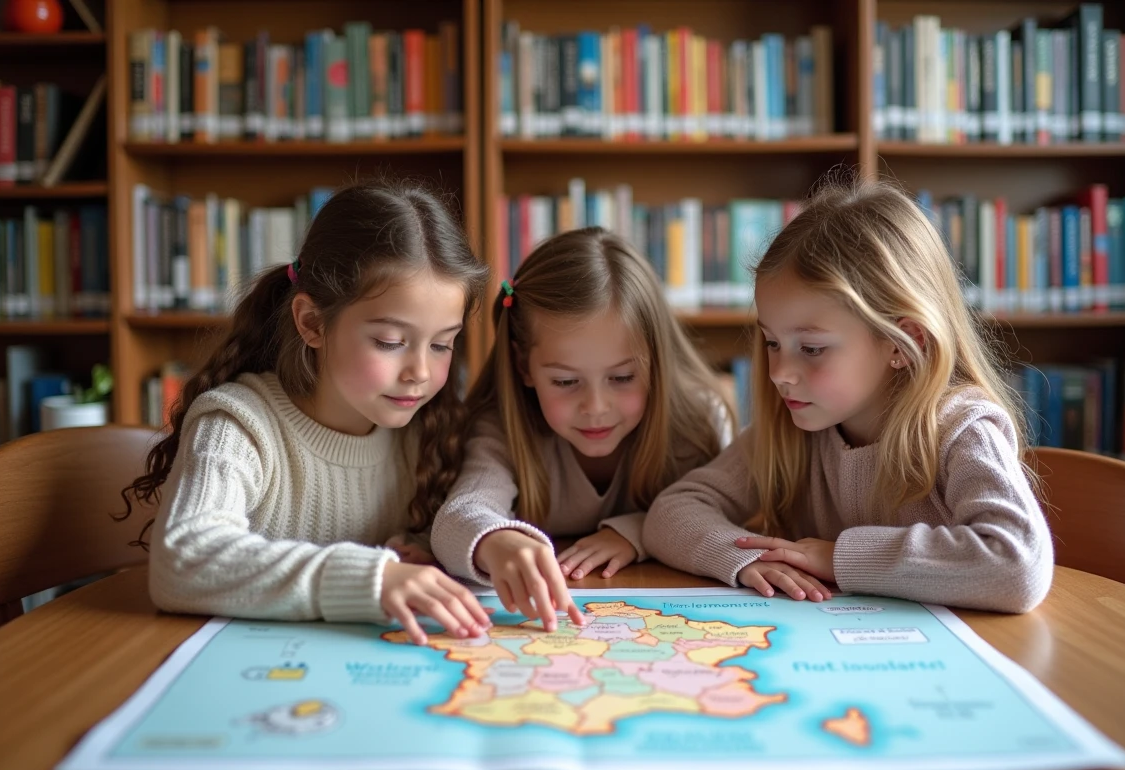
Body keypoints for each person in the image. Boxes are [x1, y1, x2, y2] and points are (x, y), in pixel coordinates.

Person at [643, 180, 1053, 614]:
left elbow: (1017, 563)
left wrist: (839, 558)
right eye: (772, 343)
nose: (780, 374)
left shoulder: (960, 428)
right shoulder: (792, 430)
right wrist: (745, 559)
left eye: (812, 349)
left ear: (901, 342)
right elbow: (673, 510)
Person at [118, 181, 491, 645]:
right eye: (391, 343)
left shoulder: (423, 433)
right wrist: (370, 579)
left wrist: (415, 555)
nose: (419, 371)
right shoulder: (237, 424)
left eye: (441, 344)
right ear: (312, 323)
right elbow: (183, 561)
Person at [432, 228, 735, 630]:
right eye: (565, 382)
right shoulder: (503, 429)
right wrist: (493, 540)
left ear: (657, 363)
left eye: (623, 377)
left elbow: (729, 521)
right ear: (524, 367)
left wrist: (638, 532)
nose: (595, 407)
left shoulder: (698, 422)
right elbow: (460, 516)